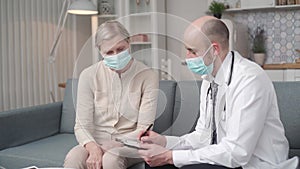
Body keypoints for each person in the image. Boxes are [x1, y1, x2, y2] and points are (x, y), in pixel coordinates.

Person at [138, 16, 299, 169]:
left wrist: (170, 156)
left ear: (214, 49)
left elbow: (237, 152)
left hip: (253, 163)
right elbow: (203, 136)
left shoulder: (249, 79)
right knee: (153, 164)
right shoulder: (209, 79)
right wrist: (164, 142)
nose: (187, 57)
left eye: (192, 51)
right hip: (226, 158)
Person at [64, 20, 159, 169]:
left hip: (131, 143)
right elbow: (82, 125)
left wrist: (113, 145)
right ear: (101, 52)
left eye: (120, 49)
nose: (116, 55)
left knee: (111, 159)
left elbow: (144, 128)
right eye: (109, 52)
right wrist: (94, 148)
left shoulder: (148, 75)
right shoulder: (88, 75)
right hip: (95, 140)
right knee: (73, 158)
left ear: (129, 43)